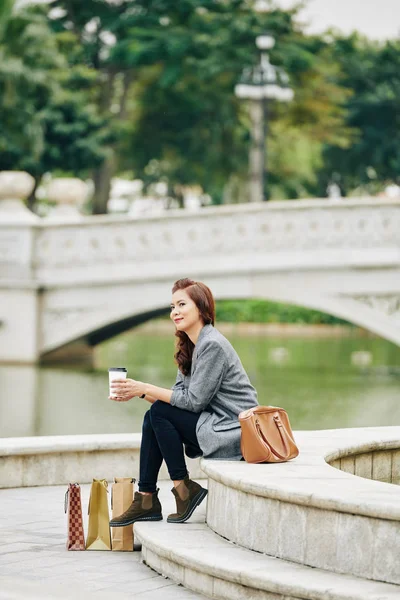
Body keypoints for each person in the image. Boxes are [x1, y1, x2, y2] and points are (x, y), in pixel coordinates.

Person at [109, 278, 258, 527]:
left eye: (181, 304)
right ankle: (147, 498)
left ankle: (181, 490)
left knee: (158, 413)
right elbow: (179, 396)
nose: (174, 312)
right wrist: (137, 392)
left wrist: (145, 387)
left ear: (200, 308)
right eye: (172, 306)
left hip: (234, 430)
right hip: (213, 423)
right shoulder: (192, 344)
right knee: (153, 415)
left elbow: (193, 402)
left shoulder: (212, 345)